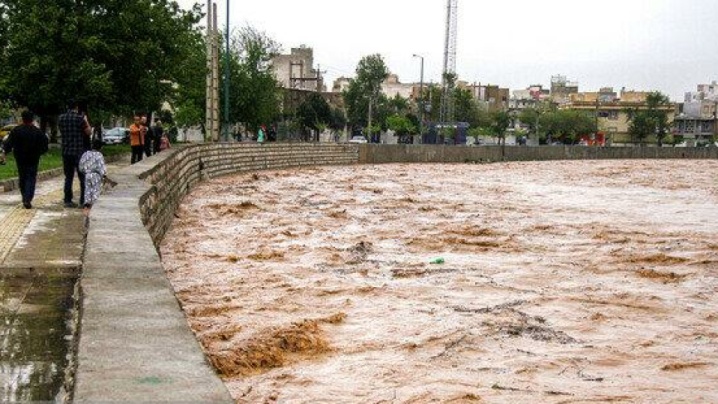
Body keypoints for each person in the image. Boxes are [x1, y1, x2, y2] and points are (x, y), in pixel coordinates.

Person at [0, 111, 49, 209]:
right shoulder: (37, 131)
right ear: (32, 119)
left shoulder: (16, 130)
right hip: (33, 158)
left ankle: (24, 197)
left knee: (22, 177)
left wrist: (4, 151)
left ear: (22, 119)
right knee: (31, 177)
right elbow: (45, 144)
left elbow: (9, 143)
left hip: (20, 157)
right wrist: (40, 152)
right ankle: (28, 198)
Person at [59, 100, 91, 208]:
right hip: (78, 152)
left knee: (68, 177)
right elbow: (88, 132)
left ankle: (67, 200)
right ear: (76, 107)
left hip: (66, 151)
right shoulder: (79, 119)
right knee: (82, 177)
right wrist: (86, 121)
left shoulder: (61, 118)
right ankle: (83, 200)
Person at [79, 139, 106, 216]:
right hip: (96, 175)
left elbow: (81, 165)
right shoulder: (99, 155)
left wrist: (84, 171)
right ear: (100, 147)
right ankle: (93, 207)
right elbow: (102, 167)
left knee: (87, 190)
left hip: (87, 175)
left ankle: (86, 207)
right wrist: (104, 175)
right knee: (95, 190)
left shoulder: (86, 154)